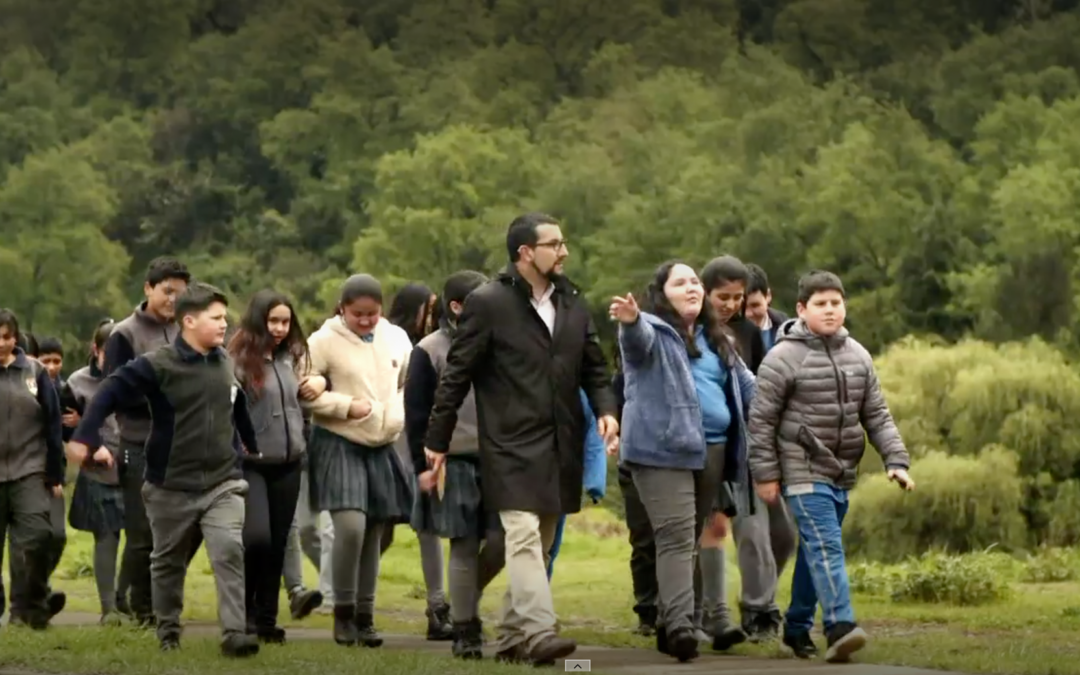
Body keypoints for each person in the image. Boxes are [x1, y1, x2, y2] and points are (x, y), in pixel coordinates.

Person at [422, 212, 619, 666]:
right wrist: (438, 439)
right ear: (526, 253)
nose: (565, 251)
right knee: (524, 536)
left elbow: (593, 366)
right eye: (555, 244)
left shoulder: (572, 301)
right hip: (508, 443)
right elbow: (457, 375)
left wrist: (607, 411)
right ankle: (539, 629)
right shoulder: (488, 303)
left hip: (561, 441)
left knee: (543, 539)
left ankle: (511, 636)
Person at [69, 282, 261, 657]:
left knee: (228, 550)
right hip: (170, 485)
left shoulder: (224, 360)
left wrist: (248, 442)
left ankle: (234, 633)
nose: (226, 325)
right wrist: (86, 434)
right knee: (168, 561)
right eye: (217, 318)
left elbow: (235, 401)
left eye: (226, 317)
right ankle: (168, 628)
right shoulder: (158, 364)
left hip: (223, 481)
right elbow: (108, 390)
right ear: (189, 321)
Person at [748, 269, 915, 664]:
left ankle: (796, 627)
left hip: (841, 470)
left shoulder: (858, 355)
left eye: (835, 303)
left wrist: (896, 460)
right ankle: (840, 626)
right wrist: (766, 474)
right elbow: (761, 421)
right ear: (802, 309)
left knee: (814, 551)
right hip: (801, 468)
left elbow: (876, 414)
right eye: (820, 304)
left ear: (844, 306)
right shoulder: (782, 357)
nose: (829, 311)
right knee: (826, 544)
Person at [610, 261, 755, 662]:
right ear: (662, 293)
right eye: (680, 283)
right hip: (661, 450)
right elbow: (635, 342)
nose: (691, 287)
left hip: (713, 449)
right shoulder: (653, 332)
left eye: (694, 281)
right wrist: (631, 320)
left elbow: (748, 386)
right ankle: (680, 626)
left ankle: (669, 622)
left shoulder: (716, 337)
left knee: (687, 539)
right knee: (675, 537)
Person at [301, 274, 414, 648]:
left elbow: (405, 384)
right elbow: (303, 391)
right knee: (350, 526)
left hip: (382, 442)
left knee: (374, 533)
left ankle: (365, 617)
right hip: (339, 439)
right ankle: (342, 612)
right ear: (342, 309)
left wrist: (394, 415)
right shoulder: (322, 340)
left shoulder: (396, 337)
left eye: (372, 313)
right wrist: (346, 407)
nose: (365, 320)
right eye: (357, 313)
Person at [405, 270, 506, 659]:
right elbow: (416, 415)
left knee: (501, 541)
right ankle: (466, 627)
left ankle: (465, 597)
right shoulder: (429, 350)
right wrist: (422, 466)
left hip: (500, 457)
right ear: (457, 307)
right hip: (453, 461)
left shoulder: (502, 345)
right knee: (463, 544)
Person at [700, 255, 797, 645]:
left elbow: (756, 391)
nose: (732, 304)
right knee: (713, 528)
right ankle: (711, 613)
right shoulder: (689, 330)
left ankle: (758, 609)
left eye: (738, 297)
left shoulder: (748, 334)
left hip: (745, 446)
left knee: (768, 532)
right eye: (723, 296)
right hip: (706, 446)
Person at [228, 290, 323, 643]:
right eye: (273, 321)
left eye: (285, 321)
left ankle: (266, 619)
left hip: (290, 462)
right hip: (252, 464)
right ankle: (247, 613)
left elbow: (302, 408)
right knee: (257, 539)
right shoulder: (237, 361)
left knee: (279, 541)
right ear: (258, 320)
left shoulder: (289, 360)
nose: (280, 328)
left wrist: (304, 439)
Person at [103, 255, 190, 626]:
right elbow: (116, 390)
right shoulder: (124, 334)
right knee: (142, 531)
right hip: (138, 442)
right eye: (167, 291)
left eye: (180, 294)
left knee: (176, 532)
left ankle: (148, 599)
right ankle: (141, 609)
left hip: (182, 444)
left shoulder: (187, 328)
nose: (173, 300)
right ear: (148, 288)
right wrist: (164, 394)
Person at [385, 282, 452, 640]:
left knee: (427, 527)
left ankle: (438, 605)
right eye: (427, 307)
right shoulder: (401, 344)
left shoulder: (439, 346)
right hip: (401, 439)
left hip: (426, 441)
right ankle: (349, 599)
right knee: (382, 529)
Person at [0, 309, 65, 630]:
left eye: (6, 337)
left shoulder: (36, 372)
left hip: (29, 469)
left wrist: (55, 473)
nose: (0, 343)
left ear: (16, 338)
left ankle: (27, 605)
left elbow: (53, 425)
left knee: (39, 537)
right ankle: (12, 607)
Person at [63, 319, 127, 625]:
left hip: (135, 465)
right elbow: (65, 428)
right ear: (95, 350)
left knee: (144, 539)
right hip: (98, 472)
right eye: (108, 353)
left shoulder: (136, 377)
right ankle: (108, 609)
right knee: (107, 535)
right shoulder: (77, 383)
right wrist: (92, 444)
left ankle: (126, 598)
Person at [545, 388, 608, 580]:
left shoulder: (579, 391)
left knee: (549, 546)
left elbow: (593, 431)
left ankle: (537, 600)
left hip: (563, 476)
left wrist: (595, 483)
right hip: (532, 472)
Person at [743, 264, 788, 352]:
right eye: (742, 307)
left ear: (768, 296)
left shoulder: (787, 329)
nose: (748, 314)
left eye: (755, 305)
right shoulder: (723, 334)